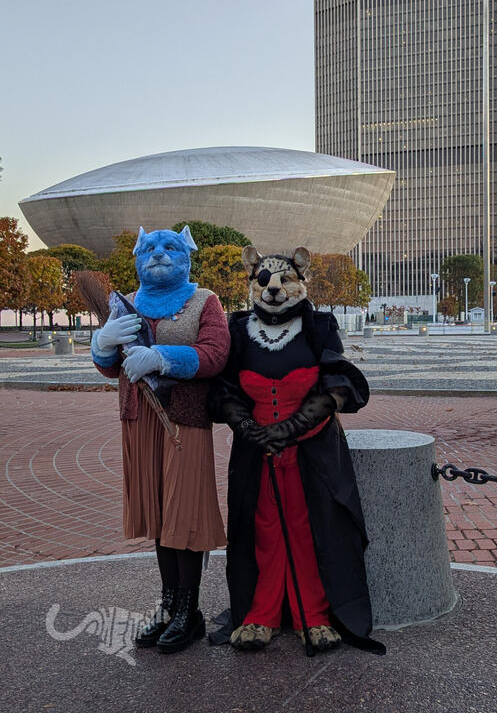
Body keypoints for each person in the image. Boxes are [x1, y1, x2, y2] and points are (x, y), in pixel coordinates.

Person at [209, 246, 383, 656]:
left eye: (284, 279)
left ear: (301, 281)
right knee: (260, 529)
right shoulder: (237, 329)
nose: (273, 288)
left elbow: (336, 384)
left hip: (313, 455)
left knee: (314, 529)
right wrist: (250, 428)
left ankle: (315, 615)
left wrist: (291, 427)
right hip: (257, 456)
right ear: (252, 282)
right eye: (264, 279)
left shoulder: (319, 326)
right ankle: (260, 613)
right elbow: (224, 390)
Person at [91, 226, 229, 654]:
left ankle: (190, 609)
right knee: (158, 514)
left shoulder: (204, 301)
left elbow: (215, 353)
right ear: (138, 257)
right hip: (139, 421)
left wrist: (164, 358)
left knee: (183, 517)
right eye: (149, 248)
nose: (158, 255)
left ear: (186, 255)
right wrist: (102, 345)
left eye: (169, 247)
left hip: (183, 421)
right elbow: (112, 367)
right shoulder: (125, 304)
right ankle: (169, 603)